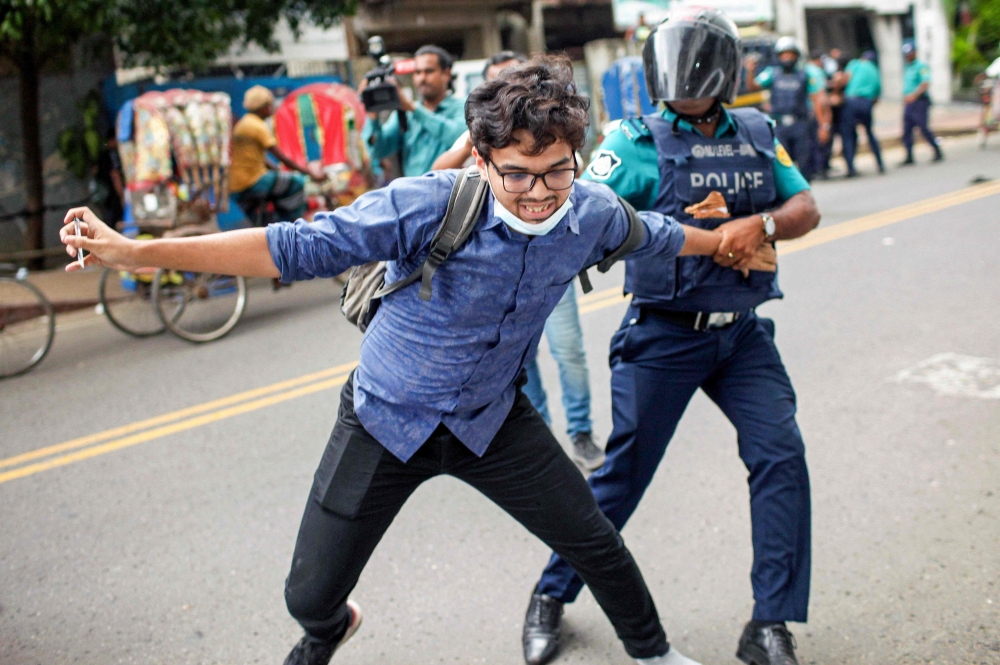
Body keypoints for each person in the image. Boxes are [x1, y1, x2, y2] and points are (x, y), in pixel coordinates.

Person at [61, 56, 773, 665]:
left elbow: (654, 233)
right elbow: (293, 246)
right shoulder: (429, 203)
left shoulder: (590, 212)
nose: (536, 195)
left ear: (576, 157)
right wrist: (136, 248)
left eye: (555, 172)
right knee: (306, 594)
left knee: (595, 538)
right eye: (517, 174)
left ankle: (652, 650)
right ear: (483, 155)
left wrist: (726, 242)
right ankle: (330, 628)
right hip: (383, 420)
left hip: (491, 422)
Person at [523, 9, 820, 665]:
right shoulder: (632, 140)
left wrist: (760, 227)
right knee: (621, 476)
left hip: (741, 336)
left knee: (781, 455)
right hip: (664, 334)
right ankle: (549, 595)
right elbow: (579, 214)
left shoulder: (756, 130)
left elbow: (804, 205)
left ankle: (769, 623)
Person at [432, 51, 606, 469]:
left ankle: (581, 433)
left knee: (569, 351)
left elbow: (574, 177)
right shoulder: (486, 140)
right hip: (499, 271)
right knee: (520, 361)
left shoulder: (552, 135)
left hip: (549, 266)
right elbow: (436, 174)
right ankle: (540, 435)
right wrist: (475, 141)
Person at [362, 45, 467, 177]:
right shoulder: (405, 113)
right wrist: (372, 116)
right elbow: (378, 151)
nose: (422, 78)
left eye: (429, 71)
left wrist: (414, 109)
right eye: (417, 72)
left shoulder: (463, 106)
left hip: (453, 193)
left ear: (446, 74)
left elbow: (459, 137)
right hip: (414, 193)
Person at [229, 85, 326, 222]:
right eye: (269, 105)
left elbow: (262, 159)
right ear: (262, 107)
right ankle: (293, 224)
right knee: (296, 183)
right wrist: (310, 174)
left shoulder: (245, 123)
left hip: (237, 185)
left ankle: (276, 224)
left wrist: (278, 171)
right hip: (252, 181)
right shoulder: (257, 125)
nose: (272, 108)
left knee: (269, 208)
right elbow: (281, 157)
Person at [746, 37, 829, 181]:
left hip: (800, 124)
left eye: (790, 54)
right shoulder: (772, 73)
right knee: (781, 161)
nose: (787, 58)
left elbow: (816, 101)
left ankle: (804, 192)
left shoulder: (804, 75)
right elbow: (753, 86)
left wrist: (823, 125)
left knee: (805, 161)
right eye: (784, 54)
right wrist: (750, 71)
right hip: (780, 124)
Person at [431, 51, 529, 171]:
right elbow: (438, 169)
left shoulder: (551, 120)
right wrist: (468, 148)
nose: (506, 90)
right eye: (497, 83)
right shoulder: (485, 127)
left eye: (513, 80)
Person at [839, 50, 884, 177]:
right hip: (866, 102)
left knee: (848, 135)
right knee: (869, 132)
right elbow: (877, 94)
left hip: (851, 101)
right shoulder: (875, 70)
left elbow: (845, 79)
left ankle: (850, 167)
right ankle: (880, 163)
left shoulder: (855, 63)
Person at [900, 41, 944, 165]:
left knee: (923, 127)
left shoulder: (921, 67)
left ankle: (937, 150)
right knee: (907, 129)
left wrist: (914, 96)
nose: (907, 56)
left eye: (909, 54)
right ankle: (909, 155)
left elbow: (925, 83)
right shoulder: (907, 67)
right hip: (908, 102)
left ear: (914, 53)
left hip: (919, 101)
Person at [805, 50, 833, 179]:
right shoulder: (816, 72)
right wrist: (825, 122)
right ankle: (820, 168)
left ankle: (815, 168)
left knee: (811, 141)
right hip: (816, 111)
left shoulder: (803, 70)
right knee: (820, 140)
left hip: (805, 112)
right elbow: (820, 99)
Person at [94, 128, 125, 226]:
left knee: (109, 220)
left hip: (104, 194)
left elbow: (95, 171)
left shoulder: (101, 154)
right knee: (118, 220)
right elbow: (115, 174)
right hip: (113, 194)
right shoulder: (112, 155)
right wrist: (121, 195)